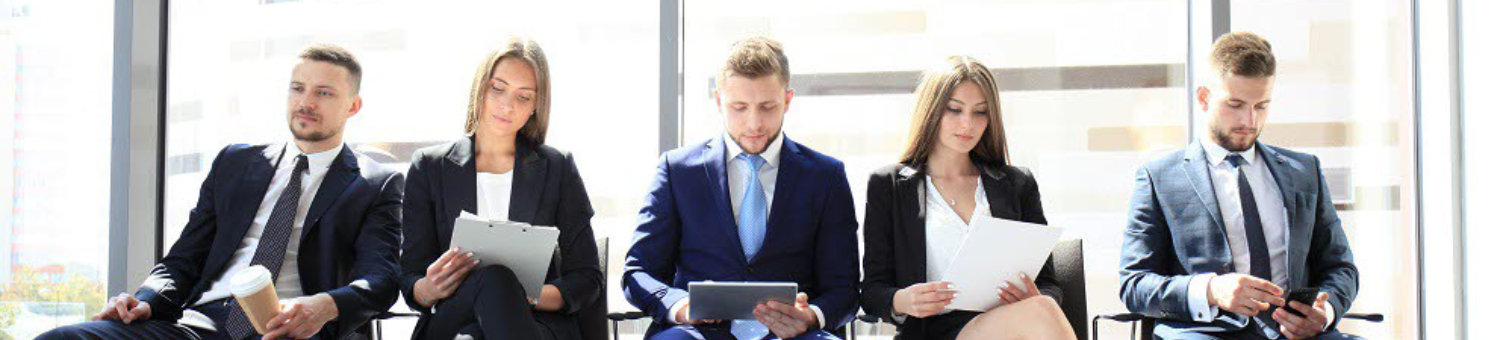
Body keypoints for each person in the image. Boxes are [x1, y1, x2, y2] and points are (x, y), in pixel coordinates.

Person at [39, 44, 403, 340]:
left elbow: (381, 280)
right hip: (199, 324)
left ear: (352, 106)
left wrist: (324, 306)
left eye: (323, 93)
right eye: (297, 88)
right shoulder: (236, 162)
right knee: (66, 338)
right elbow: (182, 260)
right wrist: (147, 299)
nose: (305, 102)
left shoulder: (374, 183)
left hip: (290, 329)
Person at [1118, 32, 1361, 340]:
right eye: (1235, 104)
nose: (1250, 119)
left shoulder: (1305, 171)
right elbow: (1135, 285)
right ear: (1204, 97)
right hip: (1205, 332)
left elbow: (1341, 267)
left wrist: (1323, 314)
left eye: (1261, 106)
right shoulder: (1159, 178)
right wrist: (1210, 290)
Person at [621, 36, 859, 340]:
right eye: (739, 107)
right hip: (697, 333)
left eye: (768, 107)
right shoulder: (678, 170)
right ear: (719, 101)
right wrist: (681, 306)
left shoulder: (826, 176)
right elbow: (638, 272)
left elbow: (844, 288)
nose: (754, 123)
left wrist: (811, 316)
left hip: (793, 336)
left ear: (787, 100)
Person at [399, 36, 602, 340]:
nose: (507, 105)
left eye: (523, 97)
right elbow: (410, 277)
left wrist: (520, 295)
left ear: (535, 106)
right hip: (454, 314)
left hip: (534, 321)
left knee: (482, 322)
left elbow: (586, 278)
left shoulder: (557, 168)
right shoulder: (429, 167)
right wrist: (428, 288)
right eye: (498, 88)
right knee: (492, 282)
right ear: (480, 87)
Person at [859, 56, 1076, 340]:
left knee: (1042, 307)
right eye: (955, 110)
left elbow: (1049, 284)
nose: (967, 124)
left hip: (1007, 324)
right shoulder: (889, 186)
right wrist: (904, 300)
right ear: (932, 110)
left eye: (980, 113)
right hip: (931, 332)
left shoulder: (1017, 184)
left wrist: (1033, 296)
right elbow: (873, 291)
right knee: (1042, 312)